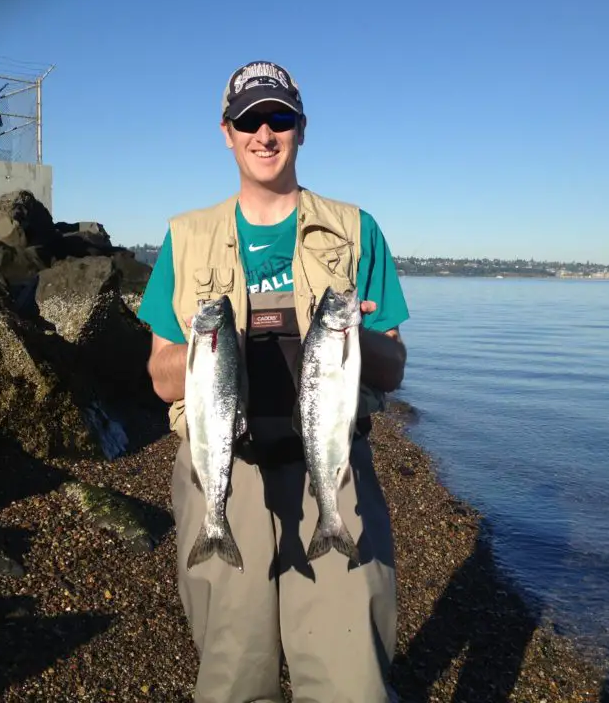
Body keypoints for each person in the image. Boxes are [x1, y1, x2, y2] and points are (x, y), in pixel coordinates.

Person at [136, 60, 410, 703]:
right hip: (222, 466)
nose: (265, 133)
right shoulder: (186, 238)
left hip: (333, 466)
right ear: (227, 133)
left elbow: (395, 367)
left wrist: (351, 338)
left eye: (279, 118)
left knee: (350, 678)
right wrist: (208, 354)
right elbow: (158, 376)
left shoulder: (356, 230)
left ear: (301, 130)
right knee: (233, 673)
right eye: (249, 120)